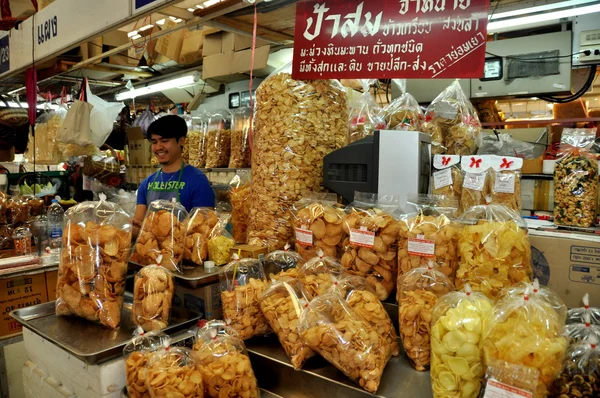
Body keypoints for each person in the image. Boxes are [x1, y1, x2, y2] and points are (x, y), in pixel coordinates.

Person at [133, 115, 215, 234]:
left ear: (181, 141)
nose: (158, 147)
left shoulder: (198, 181)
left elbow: (205, 229)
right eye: (154, 142)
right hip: (152, 250)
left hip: (184, 251)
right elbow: (137, 226)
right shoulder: (147, 184)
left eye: (164, 141)